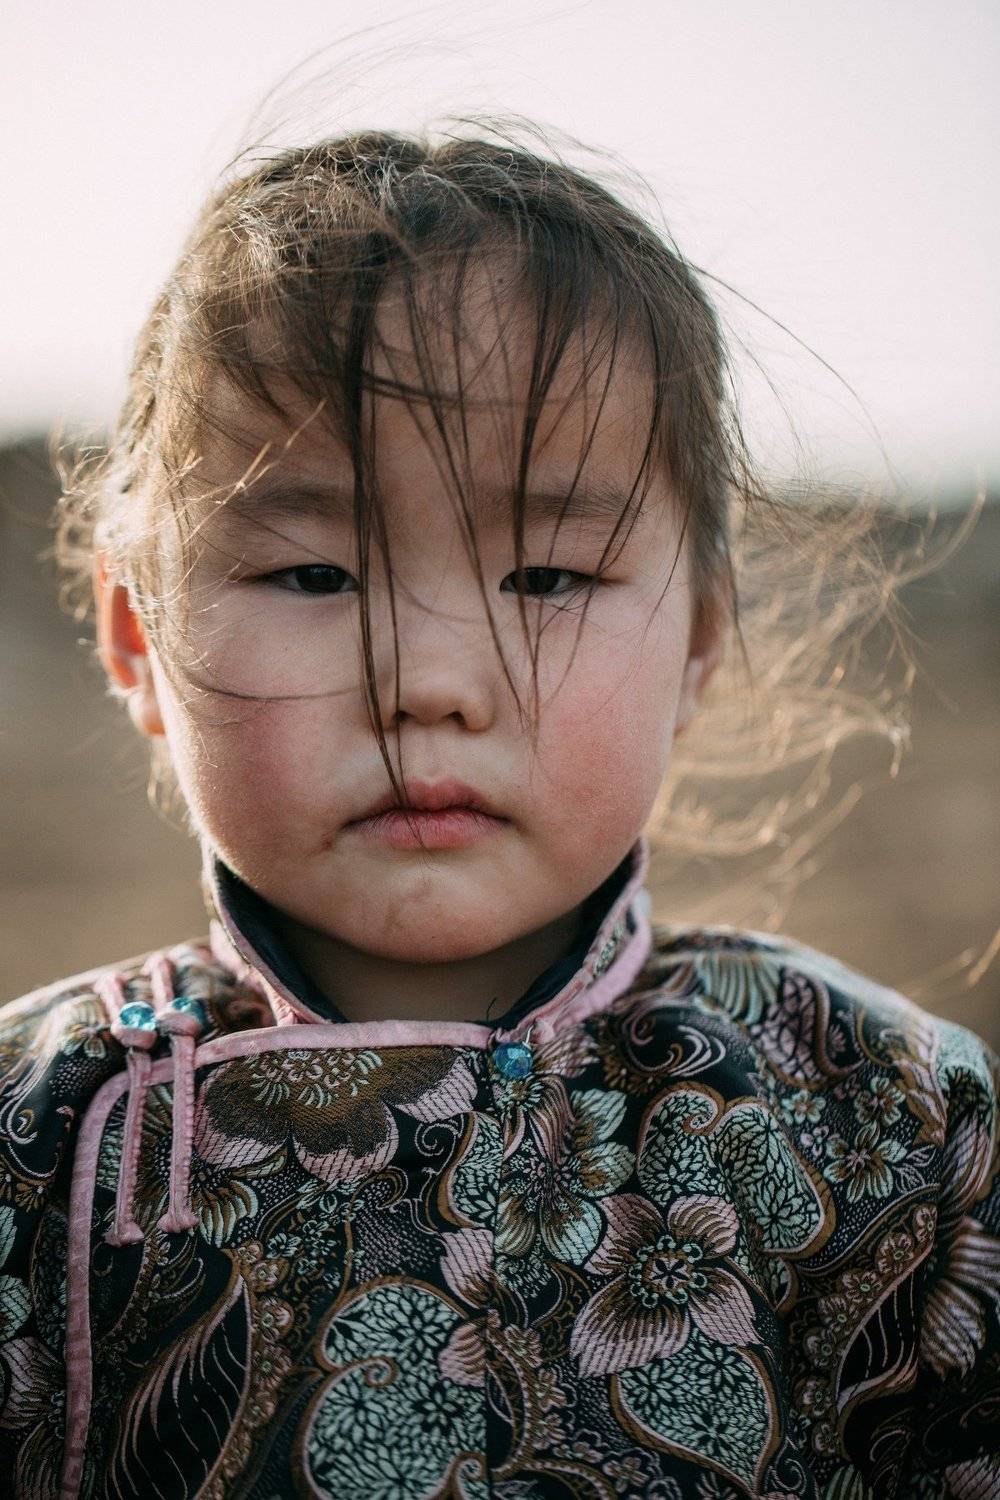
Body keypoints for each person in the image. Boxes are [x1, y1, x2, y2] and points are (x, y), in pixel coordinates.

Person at [1, 124, 997, 1500]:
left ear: (701, 637)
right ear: (134, 640)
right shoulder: (37, 1133)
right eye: (309, 575)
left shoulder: (896, 1120)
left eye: (544, 577)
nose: (432, 686)